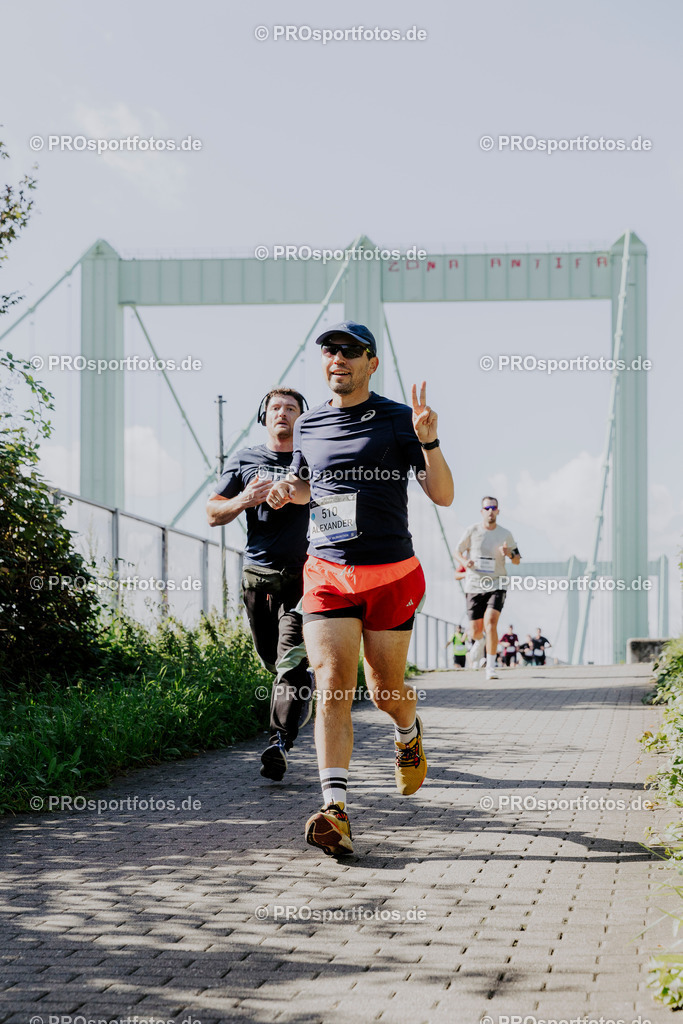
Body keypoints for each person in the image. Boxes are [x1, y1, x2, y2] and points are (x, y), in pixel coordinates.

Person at [267, 320, 454, 856]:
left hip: (391, 572)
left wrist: (430, 442)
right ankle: (336, 809)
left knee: (385, 690)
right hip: (326, 571)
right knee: (332, 685)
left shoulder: (400, 420)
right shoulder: (310, 424)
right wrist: (287, 490)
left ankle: (408, 731)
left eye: (351, 350)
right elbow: (309, 483)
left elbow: (442, 495)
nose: (338, 358)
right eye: (330, 350)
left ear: (372, 362)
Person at [206, 387, 312, 783]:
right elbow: (213, 513)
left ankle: (279, 742)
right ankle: (303, 682)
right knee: (272, 661)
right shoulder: (245, 459)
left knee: (289, 662)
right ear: (264, 417)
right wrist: (244, 500)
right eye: (276, 408)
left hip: (305, 578)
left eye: (291, 408)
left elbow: (341, 505)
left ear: (302, 417)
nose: (283, 413)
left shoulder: (313, 459)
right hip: (259, 579)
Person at [456, 498, 521, 681]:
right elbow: (458, 551)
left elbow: (517, 559)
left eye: (493, 508)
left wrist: (509, 554)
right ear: (482, 511)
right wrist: (464, 562)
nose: (490, 511)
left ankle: (490, 667)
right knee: (476, 630)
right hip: (474, 584)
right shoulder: (472, 531)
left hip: (497, 583)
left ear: (498, 511)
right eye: (487, 508)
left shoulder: (505, 534)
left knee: (491, 622)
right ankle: (479, 640)